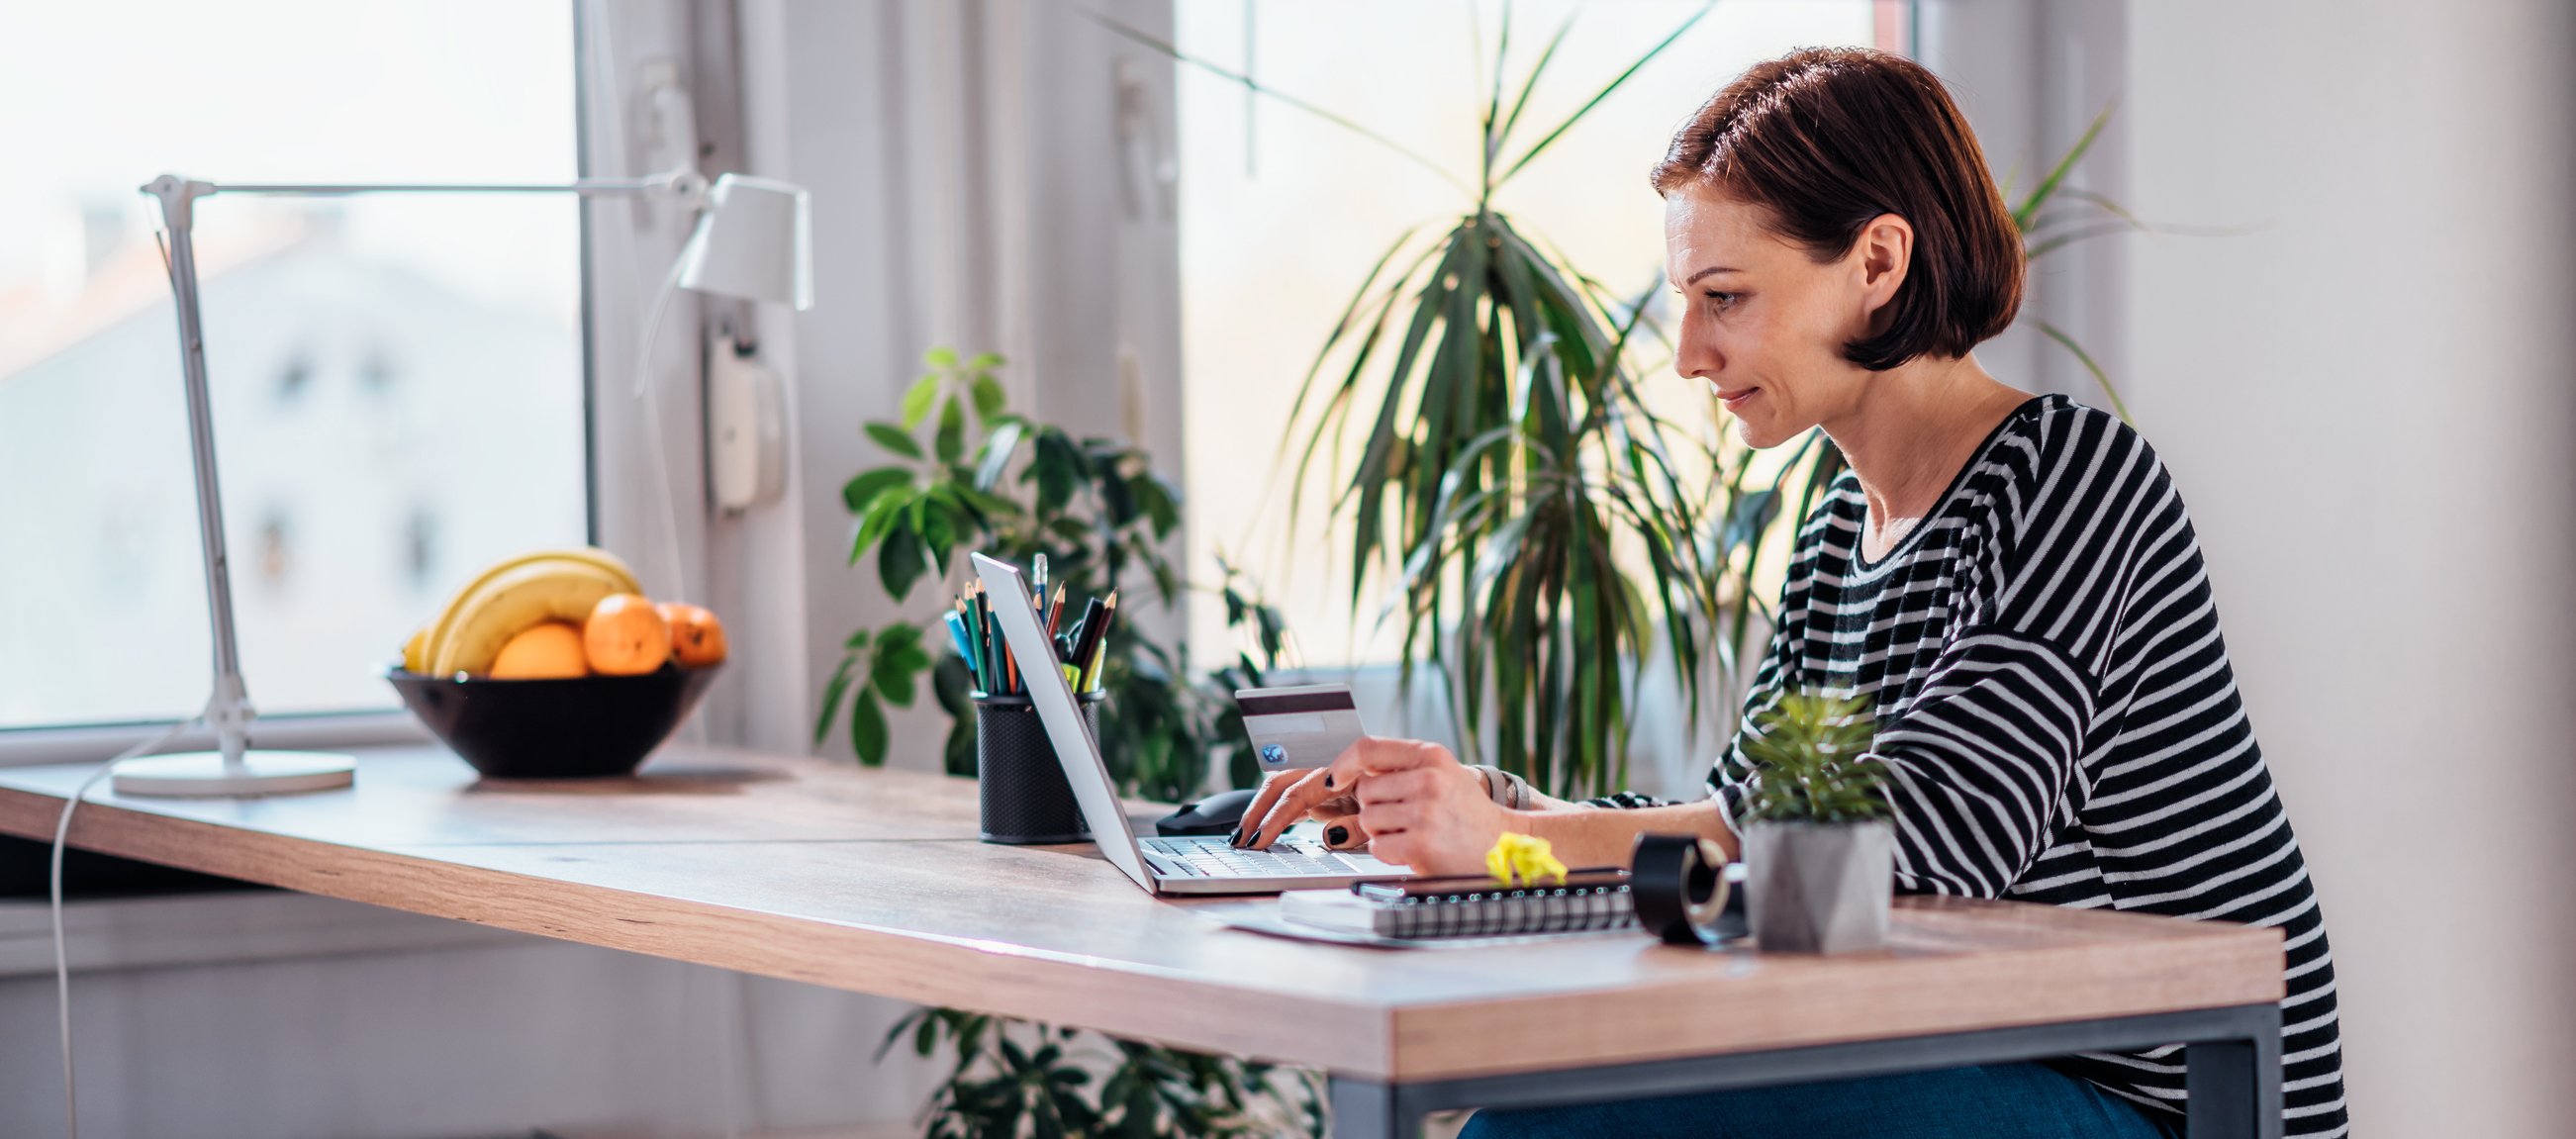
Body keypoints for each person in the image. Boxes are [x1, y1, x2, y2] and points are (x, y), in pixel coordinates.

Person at [1238, 47, 2346, 1138]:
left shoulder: (2067, 478)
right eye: (1686, 300)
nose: (1685, 352)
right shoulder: (1834, 524)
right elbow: (1742, 818)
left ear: (1876, 262)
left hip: (2171, 1094)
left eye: (1723, 297)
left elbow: (1926, 834)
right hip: (1991, 1050)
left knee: (1538, 1133)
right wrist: (1490, 806)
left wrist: (1503, 840)